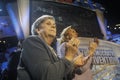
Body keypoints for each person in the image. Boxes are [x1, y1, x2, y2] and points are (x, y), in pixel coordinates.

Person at [17, 15, 85, 80]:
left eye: (54, 25)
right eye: (48, 23)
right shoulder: (32, 41)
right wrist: (69, 56)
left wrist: (73, 65)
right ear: (38, 29)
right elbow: (47, 77)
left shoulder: (52, 50)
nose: (53, 26)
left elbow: (61, 75)